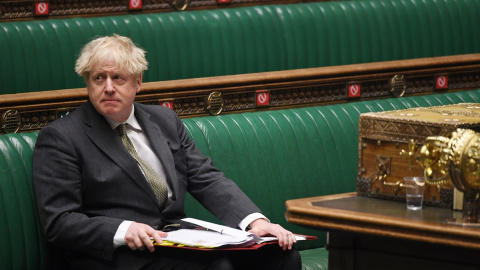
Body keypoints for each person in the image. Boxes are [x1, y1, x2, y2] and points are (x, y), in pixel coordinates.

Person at [33, 34, 301, 269]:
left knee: (281, 256)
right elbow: (59, 221)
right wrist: (123, 229)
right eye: (98, 78)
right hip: (116, 255)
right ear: (88, 84)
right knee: (217, 267)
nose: (109, 87)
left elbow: (205, 177)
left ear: (137, 83)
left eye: (118, 78)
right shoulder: (62, 137)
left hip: (177, 242)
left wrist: (254, 222)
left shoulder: (164, 120)